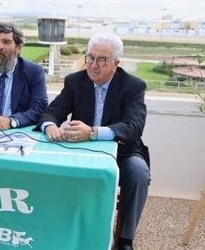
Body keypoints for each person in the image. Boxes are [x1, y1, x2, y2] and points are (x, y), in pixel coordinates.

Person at [35, 32, 150, 250]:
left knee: (138, 172)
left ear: (116, 63)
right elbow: (51, 112)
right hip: (81, 151)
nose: (93, 65)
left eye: (101, 60)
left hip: (122, 152)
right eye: (90, 57)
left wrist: (94, 132)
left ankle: (125, 239)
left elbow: (134, 127)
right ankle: (58, 227)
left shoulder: (133, 86)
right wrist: (50, 126)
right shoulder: (75, 82)